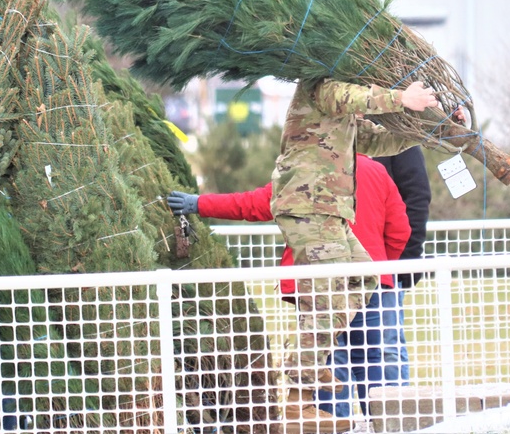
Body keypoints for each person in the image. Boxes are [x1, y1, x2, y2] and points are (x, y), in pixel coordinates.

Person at [169, 153, 411, 427]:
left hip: (318, 284)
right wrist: (378, 266)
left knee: (328, 362)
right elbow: (400, 230)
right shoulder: (376, 170)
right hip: (373, 286)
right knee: (378, 361)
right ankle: (392, 426)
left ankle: (331, 427)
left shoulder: (303, 168)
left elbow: (255, 205)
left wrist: (197, 203)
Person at [267, 77, 438, 432]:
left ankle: (308, 362)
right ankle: (300, 393)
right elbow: (352, 96)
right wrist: (401, 97)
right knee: (328, 297)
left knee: (364, 278)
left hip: (332, 211)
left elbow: (380, 142)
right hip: (306, 204)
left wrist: (430, 125)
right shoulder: (320, 88)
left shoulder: (342, 119)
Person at [372, 146, 431, 385]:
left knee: (387, 343)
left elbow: (416, 196)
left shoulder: (396, 139)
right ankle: (340, 419)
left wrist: (408, 256)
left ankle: (395, 417)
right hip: (342, 260)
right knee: (338, 347)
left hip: (387, 261)